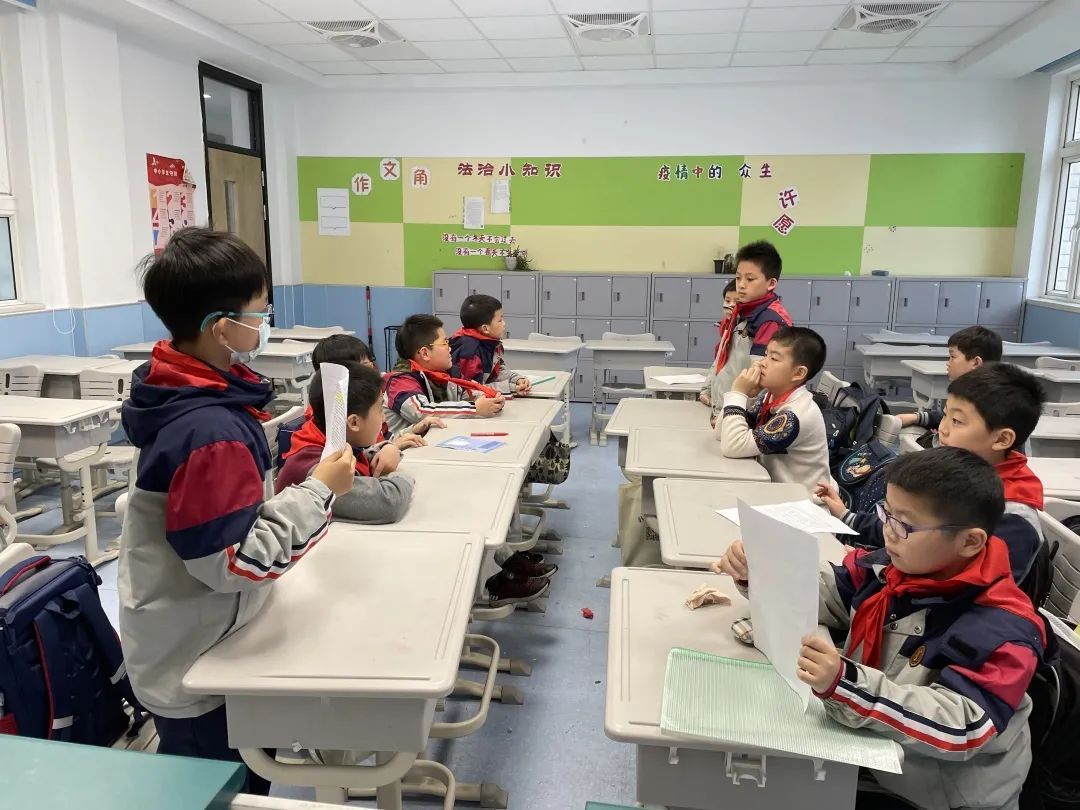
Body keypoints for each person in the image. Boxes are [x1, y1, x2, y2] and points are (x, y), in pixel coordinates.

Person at [117, 228, 356, 792]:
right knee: (220, 790)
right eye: (260, 311)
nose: (266, 321)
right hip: (198, 662)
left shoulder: (189, 389)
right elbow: (234, 561)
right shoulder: (209, 430)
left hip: (198, 632)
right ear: (222, 328)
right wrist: (319, 491)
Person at [716, 448, 1046, 810]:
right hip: (879, 754)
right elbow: (829, 592)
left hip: (939, 795)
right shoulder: (894, 569)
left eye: (904, 525)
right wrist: (761, 571)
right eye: (886, 514)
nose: (888, 532)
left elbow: (963, 727)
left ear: (970, 541)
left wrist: (847, 683)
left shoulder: (1001, 629)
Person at [817, 363, 1047, 600]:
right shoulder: (953, 474)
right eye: (945, 415)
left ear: (1001, 439)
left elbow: (968, 595)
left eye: (957, 421)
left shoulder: (1013, 520)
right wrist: (849, 518)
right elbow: (906, 526)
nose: (942, 429)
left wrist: (879, 565)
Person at [276, 361, 414, 524]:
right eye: (380, 410)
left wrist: (387, 448)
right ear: (354, 422)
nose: (384, 418)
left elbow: (362, 458)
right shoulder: (320, 468)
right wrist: (404, 476)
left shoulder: (329, 439)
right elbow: (389, 502)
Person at [716, 326, 831, 488]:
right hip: (774, 490)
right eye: (766, 354)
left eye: (774, 358)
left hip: (802, 499)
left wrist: (738, 393)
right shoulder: (770, 398)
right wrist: (748, 396)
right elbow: (721, 434)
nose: (762, 363)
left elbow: (733, 446)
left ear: (798, 373)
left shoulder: (796, 415)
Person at [699, 241, 792, 416]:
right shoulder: (741, 311)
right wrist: (708, 388)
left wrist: (735, 414)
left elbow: (760, 380)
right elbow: (723, 358)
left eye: (750, 279)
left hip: (740, 414)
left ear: (771, 283)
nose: (741, 285)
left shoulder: (769, 321)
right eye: (738, 277)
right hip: (724, 407)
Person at [382, 314, 504, 437]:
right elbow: (423, 411)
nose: (450, 348)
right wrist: (473, 409)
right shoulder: (400, 381)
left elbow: (470, 391)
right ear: (425, 353)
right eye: (445, 343)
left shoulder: (446, 373)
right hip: (405, 448)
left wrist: (490, 399)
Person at [897, 326, 1003, 433]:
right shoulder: (970, 390)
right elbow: (947, 417)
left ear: (976, 363)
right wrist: (917, 417)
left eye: (953, 356)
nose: (948, 363)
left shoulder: (986, 402)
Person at [450, 293, 531, 396]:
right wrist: (511, 387)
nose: (504, 323)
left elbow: (497, 370)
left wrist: (516, 379)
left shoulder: (488, 342)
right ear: (485, 328)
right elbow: (472, 389)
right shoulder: (469, 352)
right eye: (500, 320)